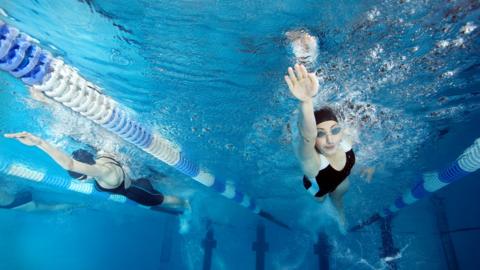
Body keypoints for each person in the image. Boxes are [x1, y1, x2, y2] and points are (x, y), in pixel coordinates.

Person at [4, 132, 188, 212]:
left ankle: (186, 203)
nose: (83, 181)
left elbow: (70, 164)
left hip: (136, 190)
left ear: (88, 172)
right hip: (132, 173)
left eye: (83, 178)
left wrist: (40, 143)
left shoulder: (103, 172)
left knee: (160, 200)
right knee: (151, 176)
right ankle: (166, 179)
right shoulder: (101, 152)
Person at [284, 63, 355, 228]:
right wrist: (306, 101)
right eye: (321, 134)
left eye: (335, 130)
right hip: (319, 189)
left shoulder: (345, 140)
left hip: (340, 178)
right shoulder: (313, 163)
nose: (331, 140)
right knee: (321, 200)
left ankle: (340, 212)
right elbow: (308, 136)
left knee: (340, 194)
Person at [0, 188, 77, 212]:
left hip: (16, 204)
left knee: (52, 208)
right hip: (17, 200)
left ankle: (79, 205)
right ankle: (78, 204)